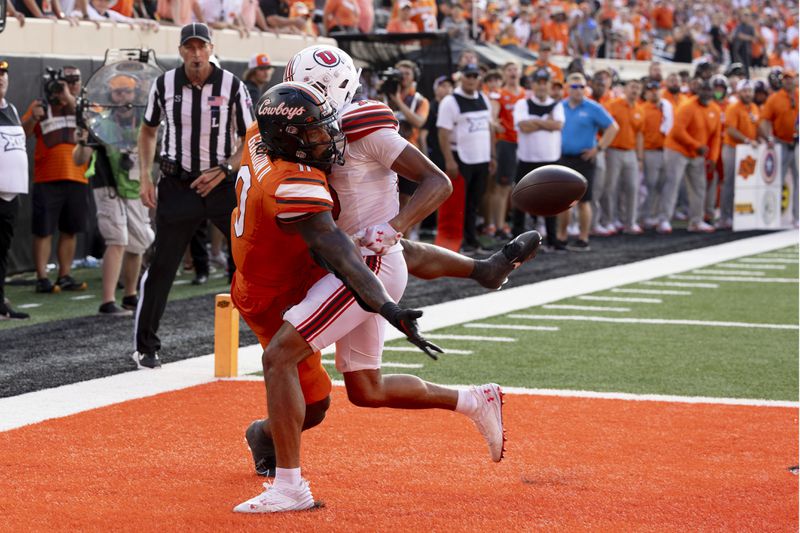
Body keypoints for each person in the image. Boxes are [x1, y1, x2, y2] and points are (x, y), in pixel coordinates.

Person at [240, 45, 541, 490]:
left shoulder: (363, 127)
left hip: (366, 263)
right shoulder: (288, 126)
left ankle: (288, 488)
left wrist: (395, 224)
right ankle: (474, 399)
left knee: (281, 355)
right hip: (356, 254)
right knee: (367, 390)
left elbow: (437, 181)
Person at [133, 23, 254, 369]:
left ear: (212, 48)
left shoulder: (232, 85)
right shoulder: (164, 84)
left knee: (250, 255)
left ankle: (267, 331)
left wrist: (226, 170)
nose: (197, 53)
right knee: (162, 266)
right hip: (177, 184)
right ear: (182, 50)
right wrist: (144, 174)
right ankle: (146, 346)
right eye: (191, 47)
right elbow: (147, 129)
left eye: (202, 47)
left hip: (220, 182)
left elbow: (251, 137)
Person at [72, 74, 155, 316]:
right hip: (107, 184)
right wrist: (83, 140)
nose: (123, 97)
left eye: (127, 92)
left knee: (139, 242)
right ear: (111, 96)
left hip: (134, 186)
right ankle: (107, 301)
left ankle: (130, 296)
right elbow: (79, 159)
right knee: (117, 238)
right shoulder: (101, 123)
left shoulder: (145, 124)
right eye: (118, 93)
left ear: (135, 94)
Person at [21, 65, 89, 294]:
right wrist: (33, 118)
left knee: (70, 229)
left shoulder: (83, 106)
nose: (69, 86)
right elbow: (23, 133)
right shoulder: (40, 105)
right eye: (65, 82)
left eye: (73, 82)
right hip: (47, 177)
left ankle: (65, 275)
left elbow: (92, 122)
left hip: (77, 176)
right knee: (43, 230)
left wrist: (69, 98)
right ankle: (42, 278)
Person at [437, 63, 496, 252]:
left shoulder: (483, 98)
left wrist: (492, 155)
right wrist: (449, 160)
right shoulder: (451, 101)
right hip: (460, 156)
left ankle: (471, 239)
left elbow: (489, 128)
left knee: (474, 202)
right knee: (457, 203)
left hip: (481, 156)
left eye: (475, 76)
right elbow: (443, 132)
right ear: (461, 77)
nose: (471, 80)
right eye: (468, 76)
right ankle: (455, 240)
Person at [558, 72, 619, 252]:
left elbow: (613, 127)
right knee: (563, 201)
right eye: (574, 86)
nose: (578, 90)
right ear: (567, 88)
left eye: (582, 87)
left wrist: (598, 149)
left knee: (584, 201)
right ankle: (562, 236)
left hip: (584, 158)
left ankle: (583, 237)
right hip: (563, 157)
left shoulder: (593, 107)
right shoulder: (559, 107)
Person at [512, 68, 564, 248]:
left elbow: (557, 125)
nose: (542, 86)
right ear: (532, 84)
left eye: (545, 83)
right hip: (527, 159)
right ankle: (516, 239)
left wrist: (535, 121)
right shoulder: (522, 103)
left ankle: (552, 238)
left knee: (552, 200)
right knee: (521, 198)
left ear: (549, 85)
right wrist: (545, 123)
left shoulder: (557, 105)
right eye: (539, 83)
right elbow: (523, 127)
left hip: (550, 159)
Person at [662, 78, 722, 234]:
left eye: (710, 90)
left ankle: (696, 220)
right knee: (672, 184)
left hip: (697, 153)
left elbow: (716, 136)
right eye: (704, 89)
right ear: (698, 91)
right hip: (677, 149)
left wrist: (713, 158)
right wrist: (696, 145)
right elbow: (678, 131)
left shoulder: (715, 109)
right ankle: (664, 220)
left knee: (699, 186)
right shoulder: (687, 106)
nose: (707, 93)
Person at [0, 60, 30, 320]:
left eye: (3, 73)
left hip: (11, 194)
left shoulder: (12, 109)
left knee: (2, 250)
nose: (0, 78)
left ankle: (0, 301)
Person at [486, 61, 525, 240]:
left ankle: (513, 223)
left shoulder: (525, 94)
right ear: (505, 73)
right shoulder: (499, 94)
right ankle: (499, 226)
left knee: (520, 185)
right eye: (509, 69)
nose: (513, 72)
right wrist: (494, 124)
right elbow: (492, 116)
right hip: (506, 142)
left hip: (524, 143)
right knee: (503, 186)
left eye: (515, 69)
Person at [602, 78, 645, 235]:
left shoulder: (640, 110)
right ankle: (608, 220)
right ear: (625, 89)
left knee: (632, 188)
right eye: (632, 87)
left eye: (638, 88)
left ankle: (630, 221)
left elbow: (640, 135)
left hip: (631, 152)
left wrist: (640, 157)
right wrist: (604, 147)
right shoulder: (613, 105)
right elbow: (604, 127)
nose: (635, 91)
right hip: (613, 150)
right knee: (610, 188)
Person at [718, 79, 763, 230]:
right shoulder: (733, 107)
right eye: (745, 91)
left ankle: (741, 213)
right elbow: (730, 129)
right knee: (729, 183)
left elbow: (757, 126)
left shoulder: (754, 107)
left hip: (748, 151)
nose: (748, 94)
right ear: (739, 92)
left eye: (749, 91)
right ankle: (725, 217)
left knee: (746, 183)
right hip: (732, 148)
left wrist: (765, 138)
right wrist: (747, 140)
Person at [760, 69, 799, 226]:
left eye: (791, 79)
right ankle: (773, 216)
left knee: (799, 182)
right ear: (782, 81)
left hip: (797, 145)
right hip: (781, 144)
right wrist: (768, 138)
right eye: (786, 79)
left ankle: (797, 217)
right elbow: (764, 120)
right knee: (776, 181)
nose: (789, 81)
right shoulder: (775, 99)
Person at [639, 79, 674, 233]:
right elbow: (639, 134)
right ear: (646, 93)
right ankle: (647, 215)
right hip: (650, 151)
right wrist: (640, 156)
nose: (654, 92)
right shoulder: (643, 109)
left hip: (666, 150)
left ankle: (661, 217)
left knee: (664, 185)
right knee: (650, 185)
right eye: (651, 90)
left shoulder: (666, 107)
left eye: (656, 89)